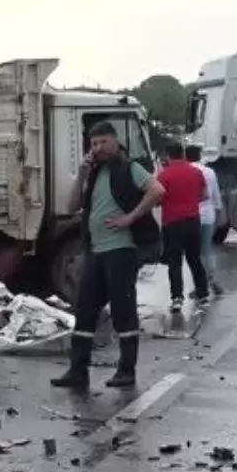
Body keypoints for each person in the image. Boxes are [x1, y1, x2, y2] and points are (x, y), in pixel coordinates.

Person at [52, 121, 164, 389]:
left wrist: (130, 218)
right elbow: (71, 206)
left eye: (103, 142)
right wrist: (80, 174)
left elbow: (158, 191)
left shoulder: (129, 168)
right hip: (95, 250)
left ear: (115, 142)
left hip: (121, 251)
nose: (99, 148)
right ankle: (78, 370)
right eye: (94, 144)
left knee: (123, 309)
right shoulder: (92, 173)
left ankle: (126, 371)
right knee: (85, 309)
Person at [156, 143, 211, 312]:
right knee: (195, 259)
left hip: (172, 223)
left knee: (174, 261)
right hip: (193, 221)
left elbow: (158, 199)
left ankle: (177, 298)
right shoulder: (196, 172)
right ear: (183, 155)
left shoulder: (164, 175)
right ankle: (203, 295)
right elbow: (204, 195)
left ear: (168, 156)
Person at [188, 145, 224, 297]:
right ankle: (213, 279)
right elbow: (215, 195)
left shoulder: (187, 171)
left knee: (194, 254)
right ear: (200, 155)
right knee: (207, 249)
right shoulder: (210, 171)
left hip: (191, 215)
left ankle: (199, 286)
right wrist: (219, 211)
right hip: (208, 215)